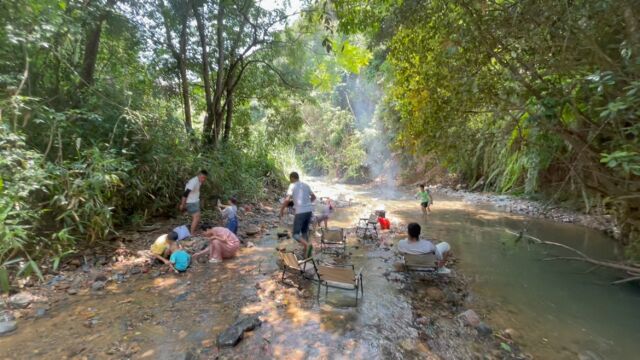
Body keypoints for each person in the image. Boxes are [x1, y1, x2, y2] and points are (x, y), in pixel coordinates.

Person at [279, 172, 316, 259]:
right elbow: (314, 197)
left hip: (300, 212)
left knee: (295, 234)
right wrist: (307, 204)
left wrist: (281, 210)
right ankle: (306, 255)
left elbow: (287, 199)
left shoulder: (292, 186)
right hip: (309, 211)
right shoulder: (306, 185)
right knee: (304, 232)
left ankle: (307, 245)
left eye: (290, 179)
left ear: (292, 178)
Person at [180, 170, 208, 235]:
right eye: (202, 177)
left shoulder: (199, 181)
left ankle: (194, 230)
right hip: (191, 202)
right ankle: (192, 233)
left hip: (195, 201)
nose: (203, 179)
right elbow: (185, 194)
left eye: (205, 178)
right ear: (198, 175)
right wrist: (182, 204)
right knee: (196, 217)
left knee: (197, 217)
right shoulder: (193, 182)